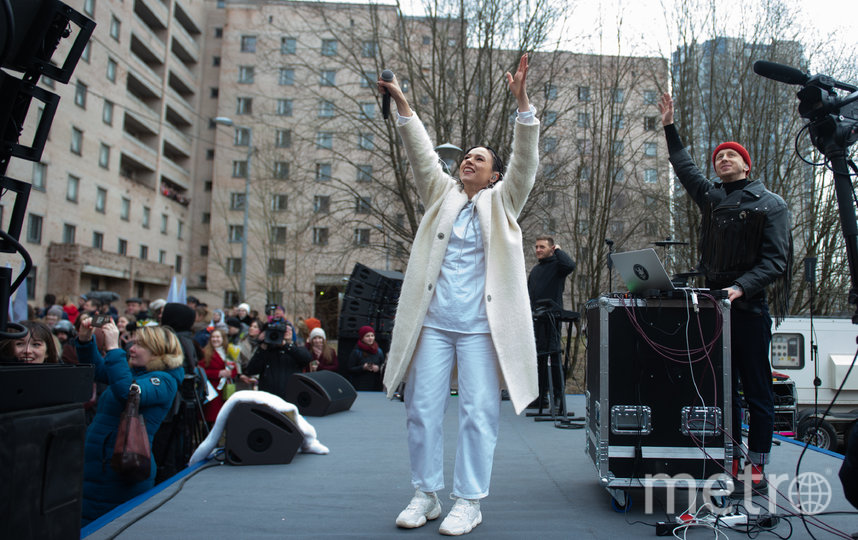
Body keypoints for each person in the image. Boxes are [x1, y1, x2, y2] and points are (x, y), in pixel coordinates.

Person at [378, 54, 539, 535]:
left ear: (493, 176)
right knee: (421, 409)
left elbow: (526, 161)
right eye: (466, 155)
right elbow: (421, 151)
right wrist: (402, 101)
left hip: (479, 329)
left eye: (481, 158)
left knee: (478, 414)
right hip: (433, 323)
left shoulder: (503, 201)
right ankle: (426, 494)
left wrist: (522, 103)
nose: (469, 159)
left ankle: (468, 500)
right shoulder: (441, 194)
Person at [658, 93, 791, 493]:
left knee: (757, 391)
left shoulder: (772, 205)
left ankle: (757, 470)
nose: (723, 159)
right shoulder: (713, 199)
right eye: (719, 156)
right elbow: (684, 167)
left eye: (731, 155)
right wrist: (668, 126)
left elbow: (776, 261)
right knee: (721, 393)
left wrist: (741, 288)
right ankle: (729, 461)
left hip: (748, 308)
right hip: (712, 308)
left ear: (747, 164)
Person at [75, 318, 184, 525]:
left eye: (139, 345)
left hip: (119, 473)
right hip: (99, 467)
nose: (131, 349)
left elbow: (128, 392)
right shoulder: (134, 373)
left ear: (159, 351)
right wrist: (84, 339)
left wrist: (114, 347)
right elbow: (97, 370)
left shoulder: (164, 381)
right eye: (132, 343)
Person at [527, 236, 575, 411]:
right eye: (537, 246)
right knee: (538, 359)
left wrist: (559, 250)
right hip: (537, 319)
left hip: (552, 319)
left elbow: (570, 265)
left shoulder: (558, 266)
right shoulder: (535, 270)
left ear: (551, 248)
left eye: (542, 247)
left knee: (554, 358)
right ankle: (541, 397)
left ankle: (557, 398)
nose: (538, 249)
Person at [244, 320, 311, 400]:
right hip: (268, 398)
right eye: (282, 331)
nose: (285, 332)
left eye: (288, 330)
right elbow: (251, 370)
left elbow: (306, 359)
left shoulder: (296, 348)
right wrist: (263, 346)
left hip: (290, 397)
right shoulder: (268, 350)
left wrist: (286, 345)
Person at [199, 328, 238, 424]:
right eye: (213, 337)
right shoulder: (205, 352)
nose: (215, 339)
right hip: (213, 390)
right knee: (211, 418)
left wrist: (230, 373)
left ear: (223, 339)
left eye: (218, 337)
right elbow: (200, 371)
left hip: (226, 390)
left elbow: (234, 370)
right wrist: (218, 373)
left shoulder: (228, 353)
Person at [347, 325, 384, 390]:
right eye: (367, 336)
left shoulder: (379, 351)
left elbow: (383, 366)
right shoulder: (356, 352)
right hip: (360, 385)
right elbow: (350, 369)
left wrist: (378, 368)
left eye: (372, 336)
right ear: (362, 338)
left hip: (375, 385)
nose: (370, 338)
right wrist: (363, 367)